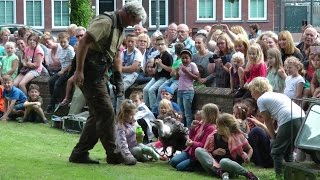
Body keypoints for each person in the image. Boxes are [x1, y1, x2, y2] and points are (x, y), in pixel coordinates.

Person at [69, 1, 147, 164]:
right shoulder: (106, 22)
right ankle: (113, 154)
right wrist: (79, 71)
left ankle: (80, 153)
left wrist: (118, 78)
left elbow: (116, 55)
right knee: (106, 112)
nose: (134, 25)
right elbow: (83, 43)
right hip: (89, 71)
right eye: (135, 21)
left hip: (99, 72)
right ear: (129, 15)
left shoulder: (120, 28)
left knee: (96, 113)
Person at [248, 77, 305, 178]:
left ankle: (279, 176)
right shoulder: (278, 95)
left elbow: (268, 120)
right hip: (301, 117)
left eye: (252, 91)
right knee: (288, 150)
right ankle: (291, 174)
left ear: (257, 89)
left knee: (276, 150)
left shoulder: (261, 99)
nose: (251, 94)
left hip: (289, 119)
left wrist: (273, 136)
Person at [195, 113, 259, 180]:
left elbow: (249, 149)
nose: (216, 128)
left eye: (218, 126)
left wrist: (248, 157)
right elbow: (208, 154)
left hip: (230, 167)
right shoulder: (214, 136)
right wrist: (214, 152)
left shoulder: (238, 136)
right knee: (199, 150)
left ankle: (247, 174)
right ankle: (220, 172)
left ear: (226, 128)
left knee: (223, 161)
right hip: (214, 167)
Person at [170, 103, 218, 171]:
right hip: (190, 151)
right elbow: (191, 136)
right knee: (173, 162)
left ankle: (199, 166)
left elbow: (204, 146)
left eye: (203, 111)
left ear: (208, 114)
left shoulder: (211, 128)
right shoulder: (201, 123)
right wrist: (192, 128)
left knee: (179, 167)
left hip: (196, 155)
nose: (201, 113)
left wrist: (192, 143)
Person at [116, 99, 159, 165]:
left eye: (134, 115)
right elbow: (122, 144)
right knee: (138, 150)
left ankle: (158, 157)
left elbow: (139, 135)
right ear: (124, 114)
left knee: (148, 149)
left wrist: (141, 134)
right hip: (127, 150)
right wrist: (128, 156)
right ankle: (144, 159)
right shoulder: (121, 127)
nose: (133, 117)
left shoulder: (133, 122)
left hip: (136, 144)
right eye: (131, 115)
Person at [46, 32, 75, 113]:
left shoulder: (70, 49)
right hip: (62, 69)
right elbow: (61, 61)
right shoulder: (62, 49)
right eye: (61, 42)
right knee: (51, 81)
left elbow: (72, 63)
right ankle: (55, 100)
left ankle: (52, 104)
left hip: (69, 71)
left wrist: (63, 71)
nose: (62, 44)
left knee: (57, 83)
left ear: (68, 41)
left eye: (64, 42)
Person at [143, 35, 173, 111]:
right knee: (145, 89)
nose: (160, 46)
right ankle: (146, 108)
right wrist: (155, 66)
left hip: (164, 77)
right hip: (156, 77)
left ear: (166, 45)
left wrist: (161, 64)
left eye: (162, 44)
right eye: (158, 45)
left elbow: (170, 69)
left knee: (151, 90)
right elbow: (155, 71)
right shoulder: (157, 56)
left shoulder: (168, 56)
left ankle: (154, 109)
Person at [175, 49, 199, 127]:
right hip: (180, 90)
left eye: (186, 58)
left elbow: (197, 77)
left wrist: (187, 72)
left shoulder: (193, 65)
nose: (184, 60)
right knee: (181, 112)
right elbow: (177, 77)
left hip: (188, 90)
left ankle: (189, 129)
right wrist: (176, 72)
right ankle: (182, 128)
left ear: (190, 58)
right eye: (183, 58)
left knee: (187, 113)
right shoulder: (180, 65)